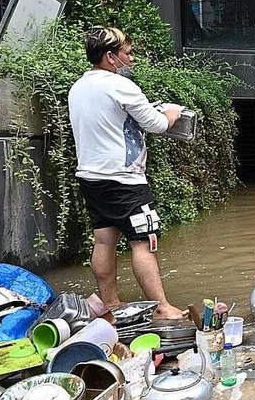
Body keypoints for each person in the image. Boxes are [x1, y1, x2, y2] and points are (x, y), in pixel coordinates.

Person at [68, 26, 184, 318]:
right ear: (110, 56)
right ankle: (162, 308)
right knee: (144, 243)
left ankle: (110, 303)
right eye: (127, 53)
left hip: (91, 179)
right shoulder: (120, 86)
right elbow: (157, 124)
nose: (131, 59)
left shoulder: (78, 87)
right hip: (125, 181)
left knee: (105, 240)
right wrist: (172, 114)